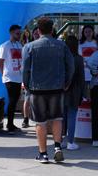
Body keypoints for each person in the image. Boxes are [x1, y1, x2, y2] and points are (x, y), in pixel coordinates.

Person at [22, 17, 74, 163]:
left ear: (38, 30)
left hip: (37, 89)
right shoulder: (61, 46)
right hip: (57, 88)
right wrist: (67, 82)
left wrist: (26, 84)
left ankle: (43, 153)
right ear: (52, 30)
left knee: (40, 122)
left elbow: (25, 69)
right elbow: (71, 66)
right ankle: (57, 147)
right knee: (57, 118)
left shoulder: (29, 47)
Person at [0, 24, 23, 132]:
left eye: (20, 33)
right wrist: (3, 74)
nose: (19, 35)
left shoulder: (19, 45)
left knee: (15, 99)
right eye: (17, 33)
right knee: (12, 100)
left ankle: (11, 123)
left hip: (18, 77)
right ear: (11, 33)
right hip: (9, 77)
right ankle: (9, 124)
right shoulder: (5, 45)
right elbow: (0, 62)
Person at [63, 35, 86, 150]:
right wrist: (85, 93)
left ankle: (61, 141)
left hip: (62, 91)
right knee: (72, 116)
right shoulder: (79, 59)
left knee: (62, 117)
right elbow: (82, 78)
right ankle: (70, 141)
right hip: (75, 91)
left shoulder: (61, 57)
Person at [21, 27, 42, 128]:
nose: (36, 35)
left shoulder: (44, 46)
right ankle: (25, 119)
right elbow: (24, 65)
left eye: (38, 33)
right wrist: (24, 80)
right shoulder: (27, 47)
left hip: (41, 78)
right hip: (30, 78)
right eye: (35, 33)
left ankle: (38, 119)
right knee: (27, 99)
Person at [78, 25, 97, 92]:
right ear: (83, 33)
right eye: (86, 32)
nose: (88, 33)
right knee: (85, 95)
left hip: (95, 73)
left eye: (90, 31)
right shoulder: (80, 44)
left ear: (93, 32)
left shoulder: (97, 43)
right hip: (84, 73)